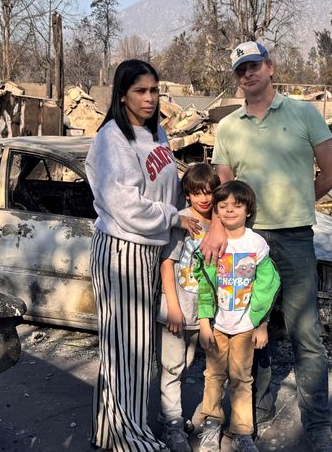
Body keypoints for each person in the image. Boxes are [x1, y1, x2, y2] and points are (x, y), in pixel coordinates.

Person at [200, 42, 332, 451]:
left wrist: (298, 202)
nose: (248, 74)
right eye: (240, 69)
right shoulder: (228, 127)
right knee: (247, 326)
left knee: (305, 333)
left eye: (254, 65)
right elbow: (225, 189)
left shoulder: (304, 114)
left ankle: (317, 426)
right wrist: (216, 226)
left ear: (270, 67)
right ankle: (255, 412)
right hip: (246, 241)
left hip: (296, 237)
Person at [86, 59, 200, 451]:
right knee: (128, 350)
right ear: (122, 95)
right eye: (141, 91)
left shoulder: (159, 134)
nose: (150, 98)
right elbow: (126, 206)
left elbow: (168, 189)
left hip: (148, 251)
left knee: (132, 348)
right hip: (122, 249)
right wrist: (175, 218)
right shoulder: (112, 139)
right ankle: (131, 440)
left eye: (154, 91)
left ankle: (110, 431)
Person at [194, 180, 280, 452]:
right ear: (216, 212)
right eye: (223, 206)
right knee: (213, 376)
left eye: (237, 205)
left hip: (245, 327)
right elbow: (204, 284)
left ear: (248, 209)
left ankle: (242, 431)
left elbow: (268, 285)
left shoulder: (256, 244)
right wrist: (204, 322)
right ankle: (211, 424)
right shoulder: (211, 243)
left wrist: (261, 324)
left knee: (242, 379)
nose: (230, 210)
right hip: (217, 325)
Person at [156, 162, 219, 452]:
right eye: (197, 193)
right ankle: (172, 424)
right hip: (177, 309)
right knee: (171, 368)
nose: (204, 198)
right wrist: (173, 307)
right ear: (188, 194)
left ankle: (172, 416)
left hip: (202, 313)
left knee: (187, 365)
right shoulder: (182, 220)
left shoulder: (218, 224)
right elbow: (167, 264)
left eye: (209, 192)